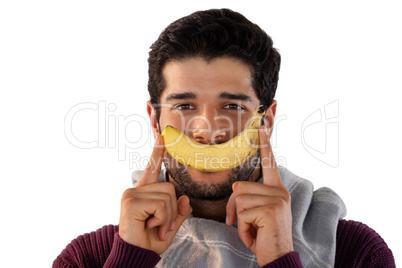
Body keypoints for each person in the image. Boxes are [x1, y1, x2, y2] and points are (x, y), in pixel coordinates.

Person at [53, 8, 395, 267]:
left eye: (232, 105)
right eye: (185, 105)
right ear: (155, 120)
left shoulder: (354, 251)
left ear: (268, 120)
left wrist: (280, 258)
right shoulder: (89, 259)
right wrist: (129, 259)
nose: (209, 130)